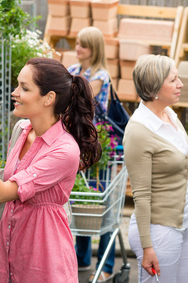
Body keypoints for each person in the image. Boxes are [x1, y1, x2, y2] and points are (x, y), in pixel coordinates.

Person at [0, 57, 101, 282]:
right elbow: (3, 191)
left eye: (24, 87)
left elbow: (0, 193)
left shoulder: (64, 150)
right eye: (17, 85)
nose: (14, 92)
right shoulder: (22, 130)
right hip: (7, 255)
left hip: (43, 263)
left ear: (48, 98)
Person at [123, 54, 188, 283]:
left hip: (180, 224)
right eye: (173, 80)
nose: (181, 84)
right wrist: (147, 247)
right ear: (154, 87)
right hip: (157, 232)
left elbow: (181, 164)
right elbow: (141, 195)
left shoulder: (169, 114)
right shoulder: (139, 131)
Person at [67, 26, 115, 283]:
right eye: (76, 43)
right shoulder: (73, 71)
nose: (78, 48)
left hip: (97, 147)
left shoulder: (101, 75)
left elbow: (82, 100)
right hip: (78, 143)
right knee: (82, 202)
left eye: (83, 45)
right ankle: (82, 258)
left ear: (94, 49)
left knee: (102, 207)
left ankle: (106, 263)